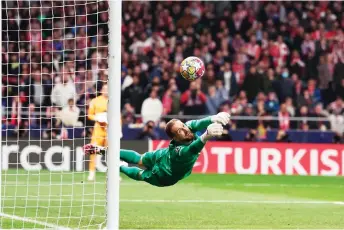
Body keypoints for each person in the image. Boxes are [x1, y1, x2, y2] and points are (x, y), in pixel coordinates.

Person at [83, 112, 230, 187]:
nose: (184, 130)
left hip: (165, 175)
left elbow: (198, 124)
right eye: (179, 130)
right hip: (165, 158)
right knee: (140, 159)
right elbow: (192, 148)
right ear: (175, 138)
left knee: (141, 173)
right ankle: (102, 150)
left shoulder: (188, 129)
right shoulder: (178, 150)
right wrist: (206, 135)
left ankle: (120, 167)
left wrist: (214, 118)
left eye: (183, 126)